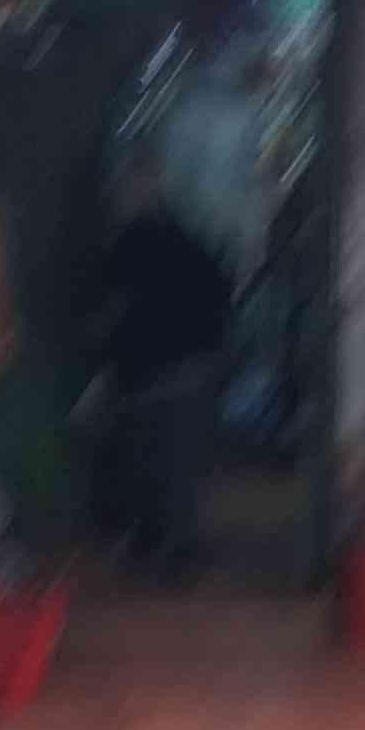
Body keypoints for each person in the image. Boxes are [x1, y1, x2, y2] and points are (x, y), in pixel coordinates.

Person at [89, 159, 236, 578]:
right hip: (189, 367)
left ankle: (162, 550)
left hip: (153, 371)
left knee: (153, 465)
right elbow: (220, 290)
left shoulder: (129, 245)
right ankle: (175, 550)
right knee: (178, 467)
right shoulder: (184, 238)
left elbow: (111, 309)